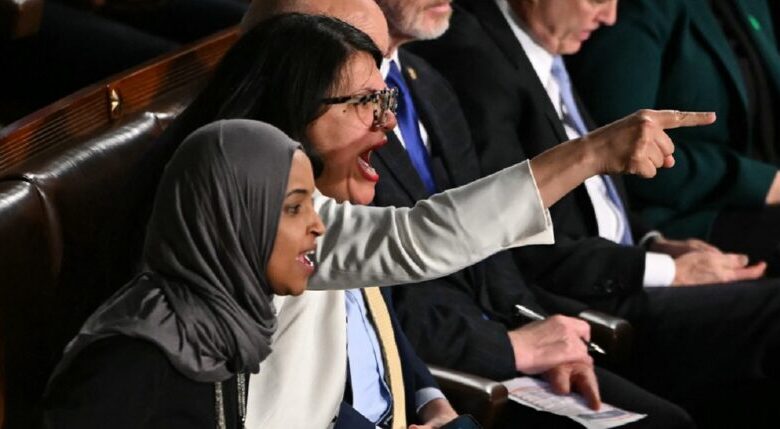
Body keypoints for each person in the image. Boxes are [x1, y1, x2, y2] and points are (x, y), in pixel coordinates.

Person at [149, 7, 712, 427]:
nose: (387, 126)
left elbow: (386, 314)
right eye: (363, 105)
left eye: (385, 99)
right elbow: (421, 238)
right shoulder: (258, 211)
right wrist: (592, 153)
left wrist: (429, 397)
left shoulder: (326, 190)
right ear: (290, 103)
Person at [409, 0, 780, 425]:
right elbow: (520, 241)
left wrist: (655, 243)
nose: (609, 17)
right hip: (583, 298)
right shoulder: (474, 61)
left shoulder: (543, 46)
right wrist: (665, 270)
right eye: (597, 0)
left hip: (614, 267)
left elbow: (597, 202)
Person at [369, 0, 692, 427]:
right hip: (446, 371)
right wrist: (510, 347)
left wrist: (544, 332)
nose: (611, 15)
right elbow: (376, 291)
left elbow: (493, 246)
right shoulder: (334, 98)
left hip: (506, 334)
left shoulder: (424, 80)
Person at [43, 119, 325, 428]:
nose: (318, 226)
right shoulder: (131, 360)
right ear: (229, 220)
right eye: (294, 208)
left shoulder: (227, 322)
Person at [567, 0, 780, 271]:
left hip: (754, 204)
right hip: (677, 216)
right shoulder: (638, 8)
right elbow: (622, 145)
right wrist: (759, 182)